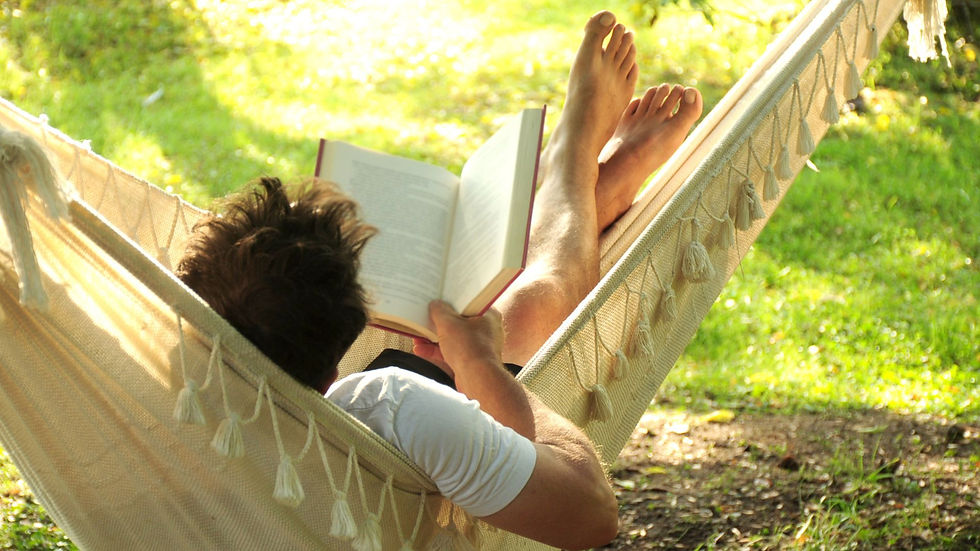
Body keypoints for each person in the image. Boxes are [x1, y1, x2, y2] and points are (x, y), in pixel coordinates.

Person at [176, 11, 702, 550]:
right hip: (422, 449)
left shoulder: (163, 405)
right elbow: (591, 515)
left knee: (506, 309)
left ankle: (580, 194)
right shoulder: (393, 405)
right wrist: (481, 367)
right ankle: (572, 166)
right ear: (340, 355)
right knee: (523, 308)